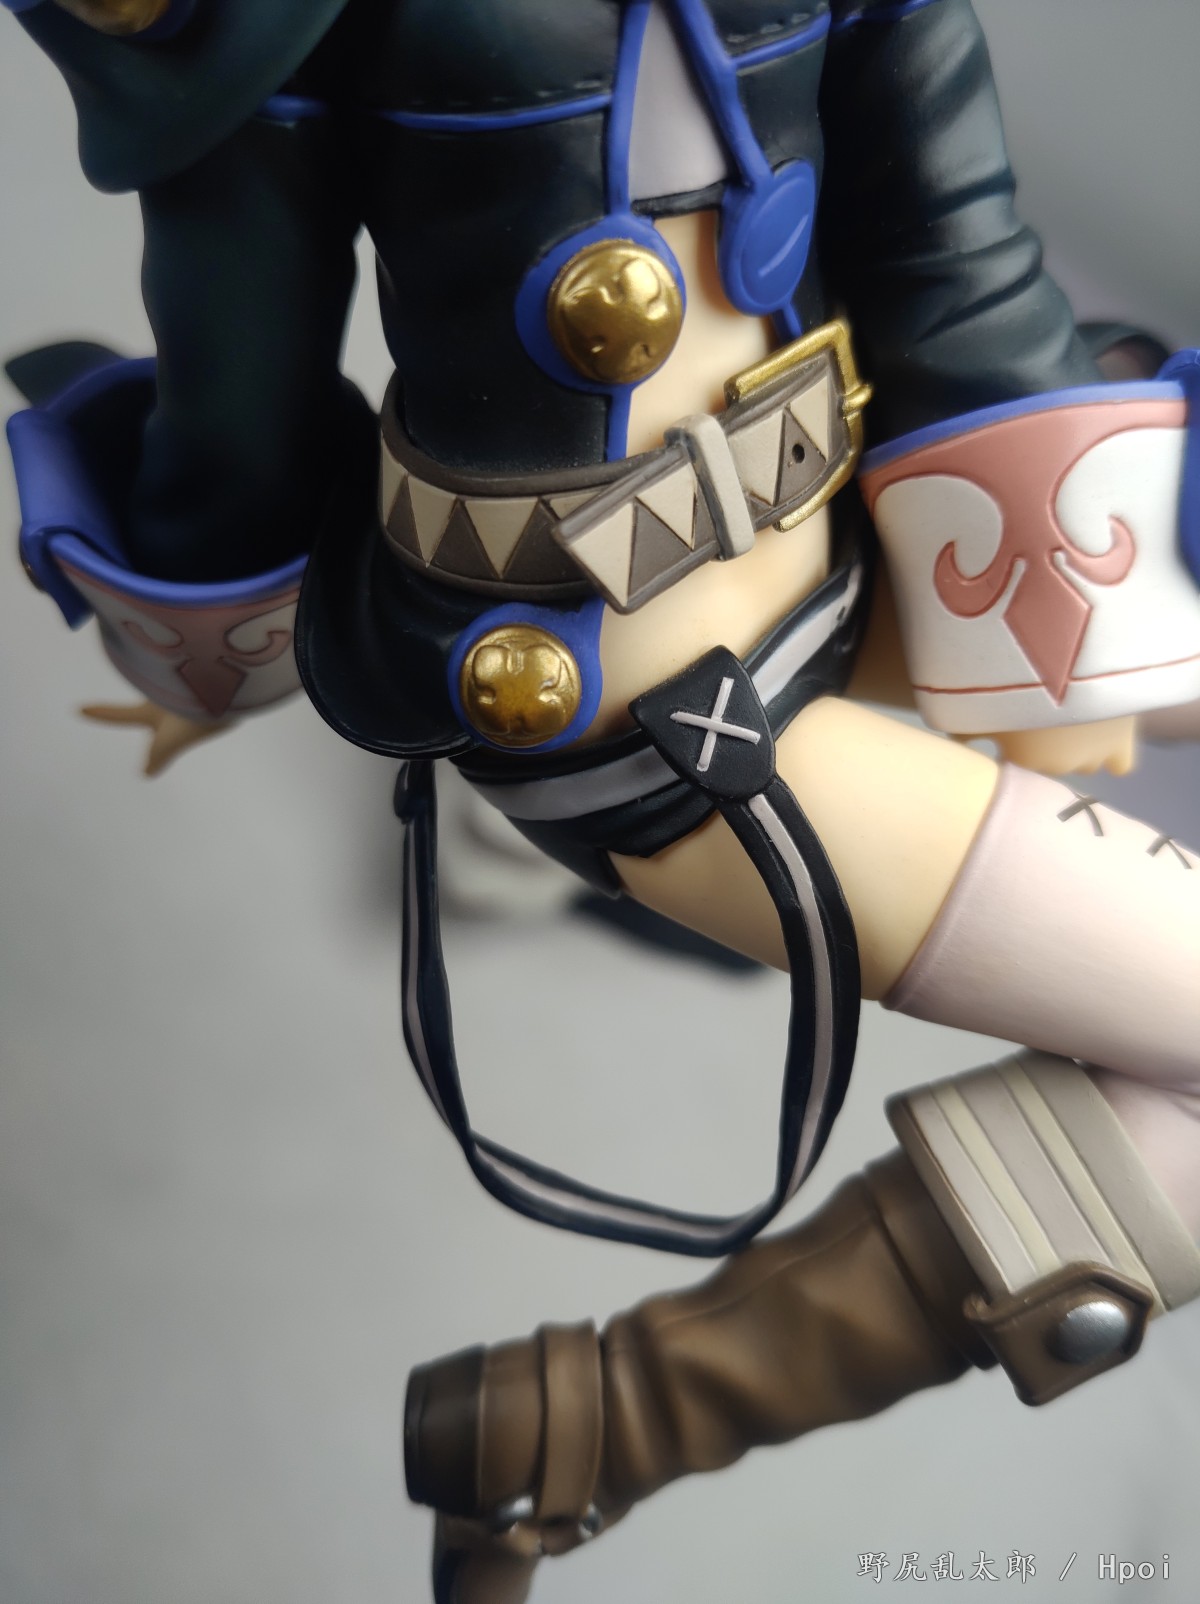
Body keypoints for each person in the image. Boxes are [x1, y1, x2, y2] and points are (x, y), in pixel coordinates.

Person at [6, 2, 1200, 1599]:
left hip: (839, 543)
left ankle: (555, 1431)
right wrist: (209, 626)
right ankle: (598, 1426)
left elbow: (947, 237)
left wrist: (1060, 632)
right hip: (610, 684)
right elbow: (244, 365)